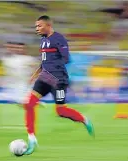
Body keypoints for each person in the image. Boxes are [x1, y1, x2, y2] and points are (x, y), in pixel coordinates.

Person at [23, 15, 95, 155]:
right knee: (29, 104)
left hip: (58, 80)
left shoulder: (59, 39)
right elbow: (45, 60)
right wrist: (36, 73)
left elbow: (66, 58)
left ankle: (84, 120)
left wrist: (52, 71)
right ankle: (32, 139)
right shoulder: (43, 40)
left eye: (39, 26)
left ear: (48, 25)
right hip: (44, 78)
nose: (37, 28)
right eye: (36, 26)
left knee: (61, 111)